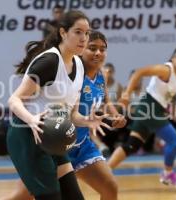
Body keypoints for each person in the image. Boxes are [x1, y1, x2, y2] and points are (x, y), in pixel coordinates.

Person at [6, 10, 110, 200]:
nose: (83, 38)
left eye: (86, 33)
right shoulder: (50, 61)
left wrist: (87, 120)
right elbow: (14, 100)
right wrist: (32, 120)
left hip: (54, 138)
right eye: (78, 32)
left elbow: (73, 114)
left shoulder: (79, 65)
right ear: (63, 33)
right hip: (27, 134)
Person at [107, 47, 176, 189]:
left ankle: (104, 171)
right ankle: (168, 173)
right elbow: (139, 72)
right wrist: (126, 93)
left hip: (154, 109)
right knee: (175, 143)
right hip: (150, 107)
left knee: (132, 144)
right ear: (172, 58)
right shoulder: (166, 70)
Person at [68, 30, 126, 200]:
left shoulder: (102, 74)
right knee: (23, 196)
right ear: (81, 49)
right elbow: (72, 114)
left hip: (82, 144)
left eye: (103, 49)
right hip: (57, 145)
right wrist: (88, 120)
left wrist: (116, 116)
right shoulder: (72, 73)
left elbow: (105, 102)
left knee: (110, 187)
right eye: (92, 48)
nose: (98, 53)